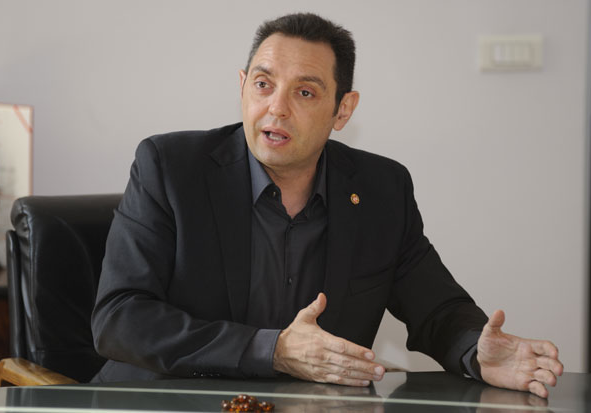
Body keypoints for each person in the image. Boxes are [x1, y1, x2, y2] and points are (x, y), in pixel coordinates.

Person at [91, 13, 563, 398]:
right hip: (167, 403)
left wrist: (476, 352)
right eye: (263, 84)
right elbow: (120, 318)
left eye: (305, 92)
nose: (276, 108)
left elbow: (437, 309)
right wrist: (271, 350)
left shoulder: (381, 189)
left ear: (343, 109)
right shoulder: (171, 168)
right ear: (242, 86)